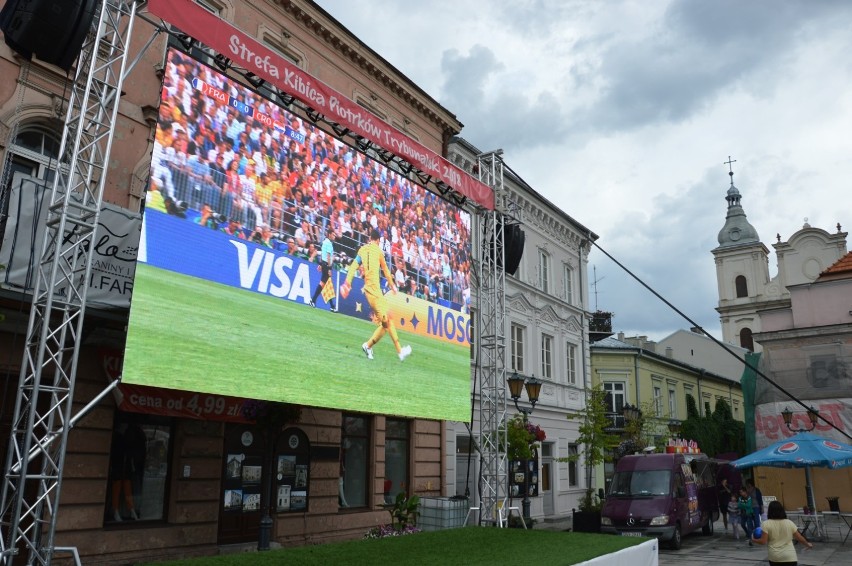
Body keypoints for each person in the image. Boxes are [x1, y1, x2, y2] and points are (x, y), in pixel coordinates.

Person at [339, 229, 411, 361]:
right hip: (374, 293)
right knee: (387, 320)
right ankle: (399, 351)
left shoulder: (362, 250)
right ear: (378, 240)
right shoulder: (378, 251)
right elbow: (387, 271)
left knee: (386, 322)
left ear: (370, 238)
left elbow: (353, 266)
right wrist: (393, 285)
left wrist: (347, 283)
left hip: (372, 292)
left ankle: (369, 346)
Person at [753, 500, 813, 565]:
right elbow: (800, 538)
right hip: (790, 557)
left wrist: (753, 540)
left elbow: (763, 541)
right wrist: (808, 544)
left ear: (769, 511)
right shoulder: (789, 523)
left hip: (775, 557)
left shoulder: (766, 524)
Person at [310, 229, 336, 311]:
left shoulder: (325, 242)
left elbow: (322, 254)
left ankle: (331, 306)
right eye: (333, 235)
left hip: (324, 264)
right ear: (329, 234)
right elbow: (328, 256)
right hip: (327, 265)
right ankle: (331, 306)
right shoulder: (329, 244)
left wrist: (321, 264)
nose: (334, 236)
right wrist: (329, 268)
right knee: (326, 284)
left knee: (324, 284)